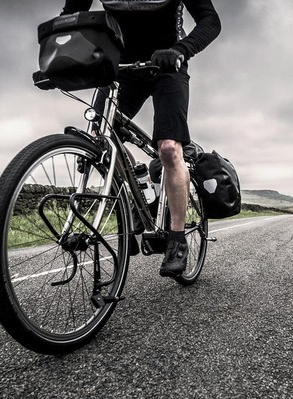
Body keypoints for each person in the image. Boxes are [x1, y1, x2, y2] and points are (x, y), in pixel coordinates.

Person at [60, 0, 221, 277]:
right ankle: (139, 191)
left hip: (168, 66)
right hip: (120, 69)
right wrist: (63, 59)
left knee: (169, 149)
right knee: (100, 137)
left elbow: (210, 20)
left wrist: (181, 50)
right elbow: (69, 19)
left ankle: (177, 240)